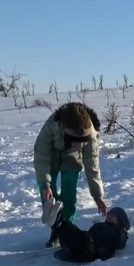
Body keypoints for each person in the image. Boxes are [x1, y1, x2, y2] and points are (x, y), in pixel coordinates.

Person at [33, 102, 107, 248]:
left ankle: (65, 231)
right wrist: (46, 183)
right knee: (48, 195)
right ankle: (55, 227)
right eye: (75, 141)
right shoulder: (52, 125)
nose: (78, 145)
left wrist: (97, 195)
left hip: (72, 161)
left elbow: (92, 165)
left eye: (81, 142)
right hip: (50, 160)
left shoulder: (90, 133)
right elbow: (41, 156)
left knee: (69, 196)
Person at [41, 198, 129, 262]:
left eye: (113, 216)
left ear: (120, 221)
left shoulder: (117, 231)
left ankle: (58, 220)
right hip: (88, 244)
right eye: (109, 214)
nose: (109, 216)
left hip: (93, 250)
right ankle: (55, 220)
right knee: (72, 236)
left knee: (76, 234)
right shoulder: (101, 225)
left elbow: (118, 243)